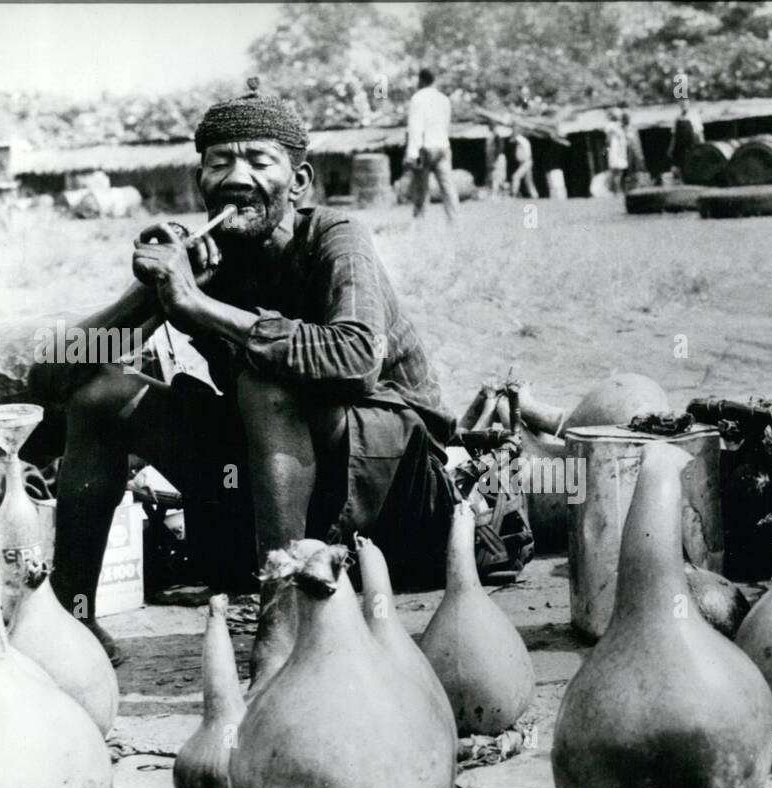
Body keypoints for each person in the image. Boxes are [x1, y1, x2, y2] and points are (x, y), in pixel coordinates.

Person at [35, 82, 456, 662]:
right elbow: (52, 382)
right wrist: (154, 295)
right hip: (267, 488)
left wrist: (201, 309)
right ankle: (69, 619)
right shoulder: (206, 261)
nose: (237, 177)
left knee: (266, 381)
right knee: (103, 395)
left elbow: (357, 359)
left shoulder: (336, 237)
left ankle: (280, 628)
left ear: (299, 182)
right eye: (219, 164)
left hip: (393, 495)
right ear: (199, 183)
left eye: (260, 161)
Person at [405, 68, 459, 221]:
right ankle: (454, 220)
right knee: (447, 186)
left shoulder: (418, 98)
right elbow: (446, 124)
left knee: (421, 186)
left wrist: (412, 153)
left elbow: (415, 127)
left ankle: (419, 220)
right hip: (443, 146)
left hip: (426, 147)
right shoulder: (443, 99)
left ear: (421, 80)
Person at [667, 99, 704, 180]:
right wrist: (671, 147)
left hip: (691, 143)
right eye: (682, 104)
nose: (684, 106)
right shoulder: (677, 118)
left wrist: (702, 145)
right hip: (680, 145)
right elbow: (674, 135)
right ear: (680, 106)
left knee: (692, 161)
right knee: (680, 163)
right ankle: (682, 179)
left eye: (685, 104)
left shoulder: (694, 116)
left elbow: (700, 132)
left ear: (688, 105)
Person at [604, 109, 628, 194]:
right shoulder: (611, 126)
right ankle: (615, 190)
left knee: (619, 171)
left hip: (620, 149)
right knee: (616, 171)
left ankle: (618, 190)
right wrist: (607, 149)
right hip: (615, 149)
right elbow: (609, 139)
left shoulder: (618, 125)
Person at [509, 131, 537, 199]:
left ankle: (514, 194)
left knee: (516, 177)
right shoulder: (523, 141)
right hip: (526, 162)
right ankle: (534, 195)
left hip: (525, 162)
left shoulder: (523, 141)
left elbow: (512, 140)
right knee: (528, 181)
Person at [485, 119, 508, 196]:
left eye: (490, 125)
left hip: (497, 158)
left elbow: (500, 147)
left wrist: (496, 157)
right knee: (493, 176)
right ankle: (496, 192)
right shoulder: (490, 135)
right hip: (492, 158)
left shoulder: (497, 135)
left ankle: (496, 193)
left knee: (497, 176)